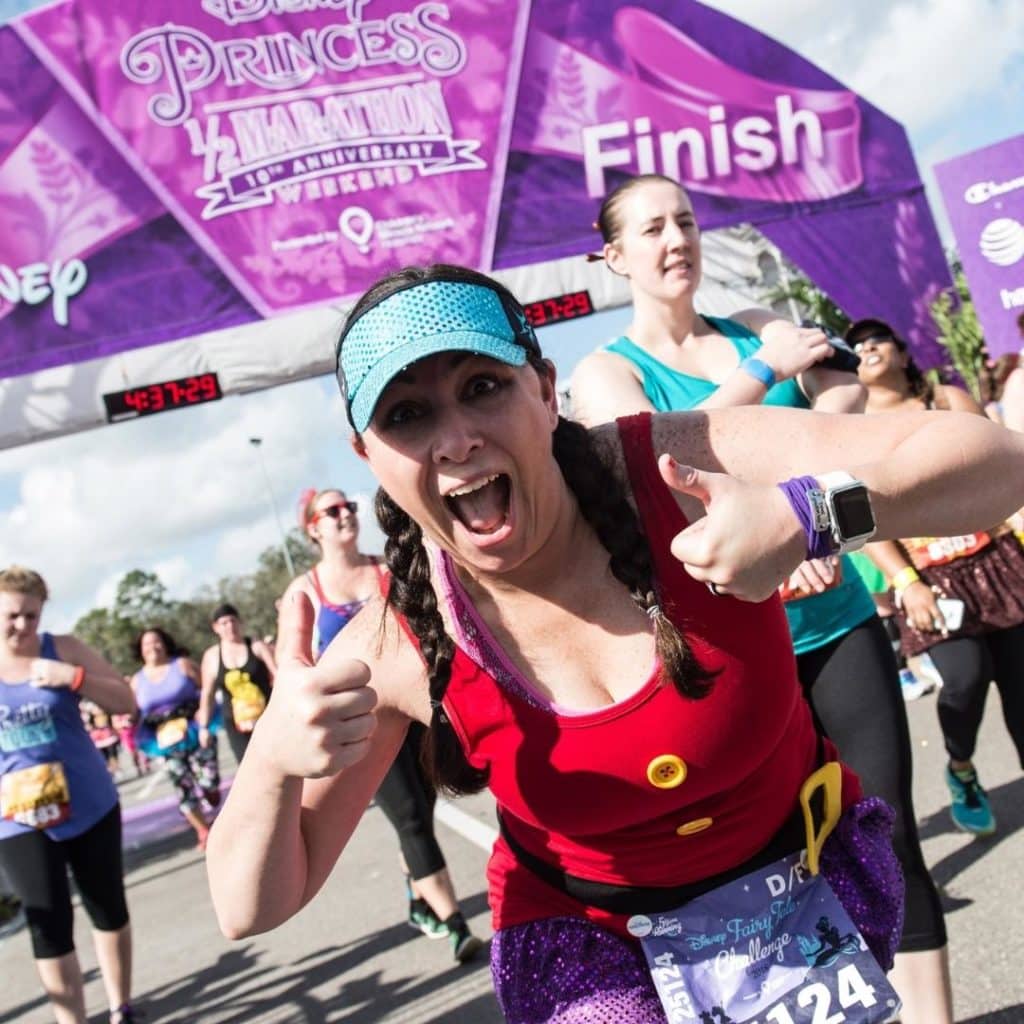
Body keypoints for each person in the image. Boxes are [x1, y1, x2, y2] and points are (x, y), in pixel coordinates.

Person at [205, 265, 1024, 1022]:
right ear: (367, 455)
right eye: (407, 415)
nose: (455, 441)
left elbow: (1000, 464)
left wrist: (810, 516)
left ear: (545, 389)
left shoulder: (675, 463)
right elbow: (252, 905)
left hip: (807, 885)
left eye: (482, 387)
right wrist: (272, 759)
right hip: (592, 951)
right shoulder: (397, 639)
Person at [569, 173, 953, 1023]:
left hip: (838, 617)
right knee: (772, 880)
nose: (677, 240)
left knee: (890, 837)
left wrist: (805, 513)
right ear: (614, 256)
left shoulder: (751, 326)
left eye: (687, 222)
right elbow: (647, 470)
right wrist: (762, 373)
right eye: (653, 229)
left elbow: (842, 400)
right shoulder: (603, 371)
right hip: (726, 653)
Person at [280, 487, 482, 961]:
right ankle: (455, 925)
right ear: (314, 528)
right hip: (361, 730)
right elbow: (291, 669)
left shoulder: (387, 569)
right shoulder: (306, 591)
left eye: (348, 506)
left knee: (425, 811)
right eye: (332, 511)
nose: (345, 514)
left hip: (417, 714)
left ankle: (419, 897)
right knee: (411, 818)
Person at [850, 317, 1024, 836]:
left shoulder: (947, 401)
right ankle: (962, 767)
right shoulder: (852, 429)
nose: (867, 348)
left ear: (903, 353)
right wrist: (907, 583)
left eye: (878, 338)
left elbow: (1004, 468)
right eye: (856, 346)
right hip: (931, 581)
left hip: (997, 562)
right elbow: (866, 521)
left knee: (1022, 688)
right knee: (965, 679)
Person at [0, 566, 138, 1024]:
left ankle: (120, 1007)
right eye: (12, 615)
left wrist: (73, 678)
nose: (22, 626)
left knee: (107, 909)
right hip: (18, 820)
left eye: (31, 616)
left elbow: (125, 702)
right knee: (49, 927)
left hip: (90, 805)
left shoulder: (65, 648)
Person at [132, 627, 220, 849]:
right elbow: (133, 712)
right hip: (165, 741)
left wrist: (204, 713)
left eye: (157, 642)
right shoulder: (137, 680)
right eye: (147, 644)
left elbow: (207, 688)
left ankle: (210, 789)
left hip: (194, 729)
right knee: (182, 785)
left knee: (209, 779)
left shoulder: (182, 665)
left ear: (165, 643)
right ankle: (203, 831)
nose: (153, 647)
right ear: (140, 650)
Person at [199, 604, 275, 765]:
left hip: (268, 717)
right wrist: (203, 727)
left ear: (240, 622)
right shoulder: (212, 656)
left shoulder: (256, 647)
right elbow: (208, 694)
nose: (230, 626)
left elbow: (278, 675)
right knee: (248, 766)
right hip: (236, 723)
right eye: (224, 623)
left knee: (277, 763)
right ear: (215, 628)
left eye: (233, 621)